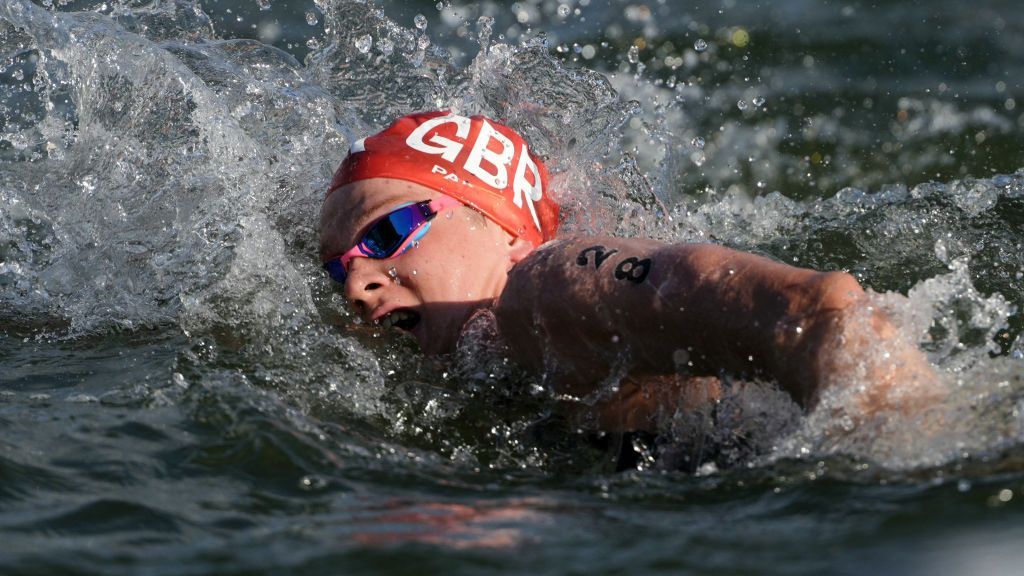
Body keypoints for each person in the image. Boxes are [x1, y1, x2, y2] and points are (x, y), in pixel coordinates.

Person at [319, 111, 941, 436]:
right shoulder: (496, 363)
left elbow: (813, 309)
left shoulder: (541, 289)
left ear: (508, 232)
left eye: (386, 233)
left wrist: (910, 439)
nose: (356, 284)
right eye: (337, 269)